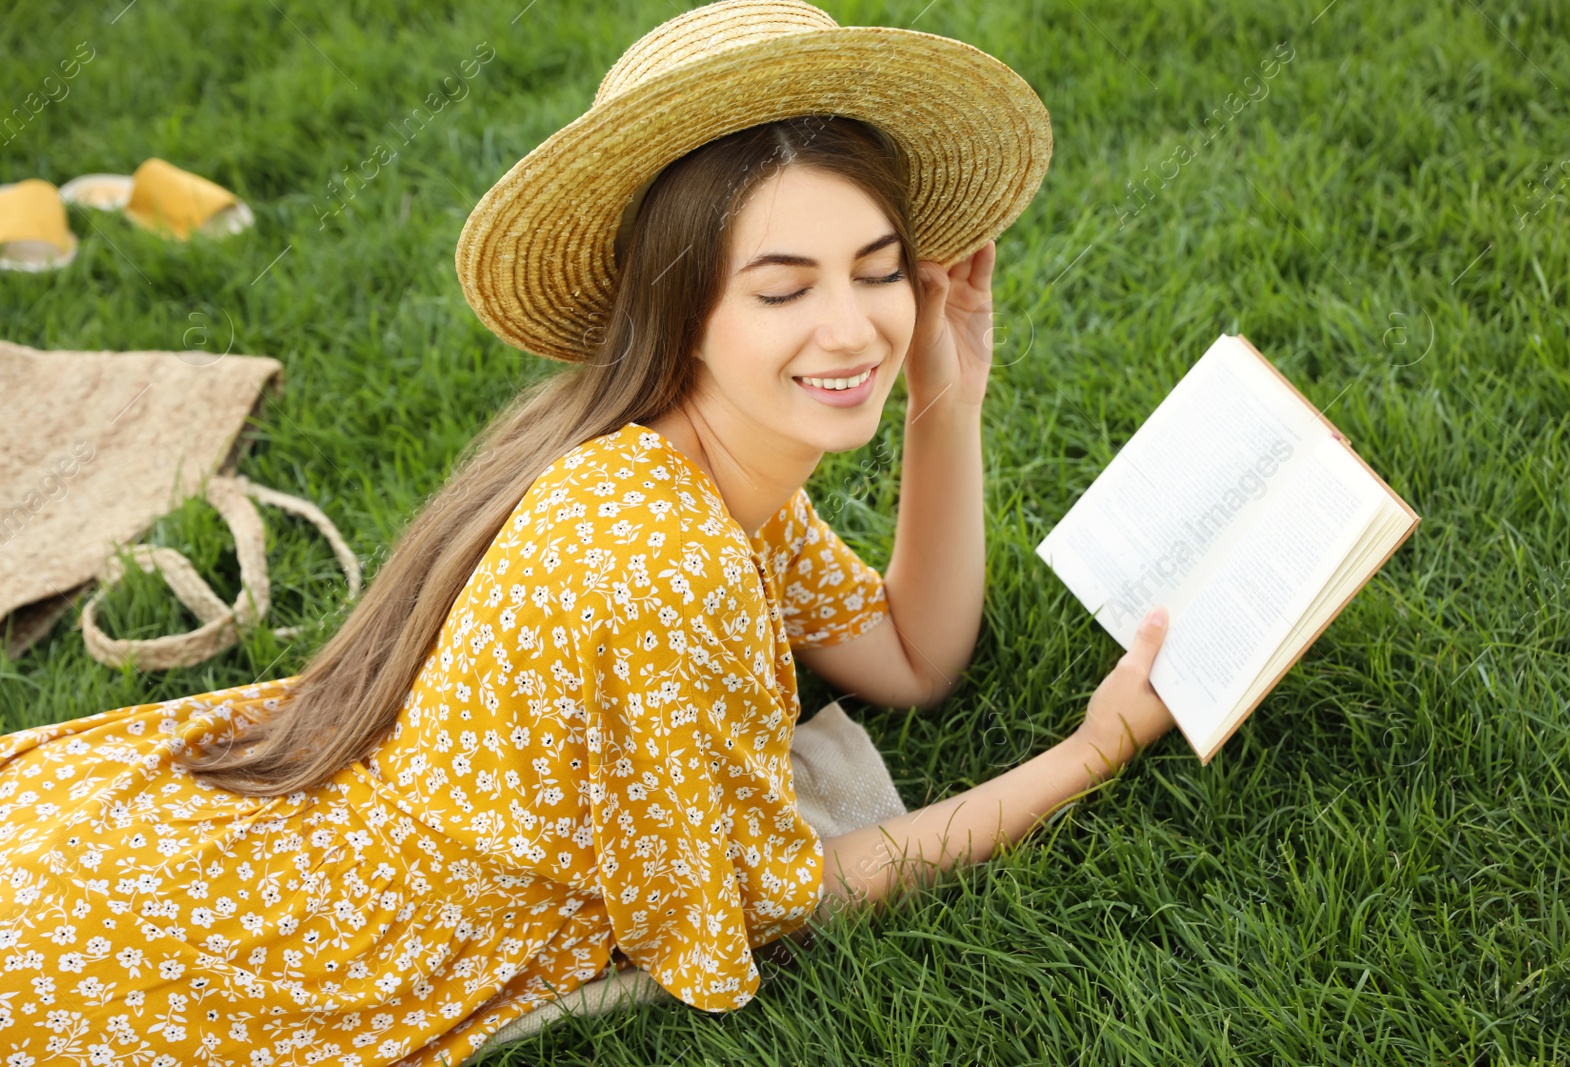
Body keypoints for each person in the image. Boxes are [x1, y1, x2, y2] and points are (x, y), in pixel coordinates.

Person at [0, 1, 1176, 1064]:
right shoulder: (661, 554)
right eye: (783, 289)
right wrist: (1086, 751)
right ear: (682, 304)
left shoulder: (706, 459)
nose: (855, 327)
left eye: (877, 271)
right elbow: (780, 898)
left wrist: (946, 400)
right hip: (333, 935)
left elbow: (914, 659)